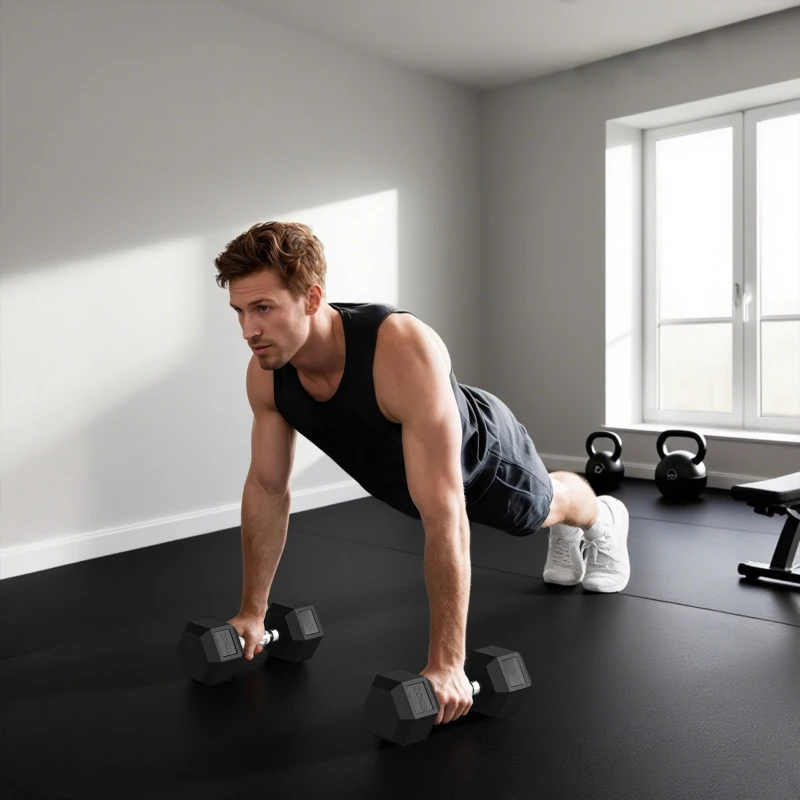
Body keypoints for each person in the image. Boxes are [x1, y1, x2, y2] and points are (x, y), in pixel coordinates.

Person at [215, 221, 631, 728]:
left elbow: (444, 509)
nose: (247, 331)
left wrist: (448, 665)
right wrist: (251, 612)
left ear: (311, 297)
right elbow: (267, 486)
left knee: (540, 511)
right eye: (239, 311)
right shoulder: (267, 372)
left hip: (482, 458)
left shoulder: (400, 348)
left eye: (263, 308)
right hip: (402, 474)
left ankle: (601, 516)